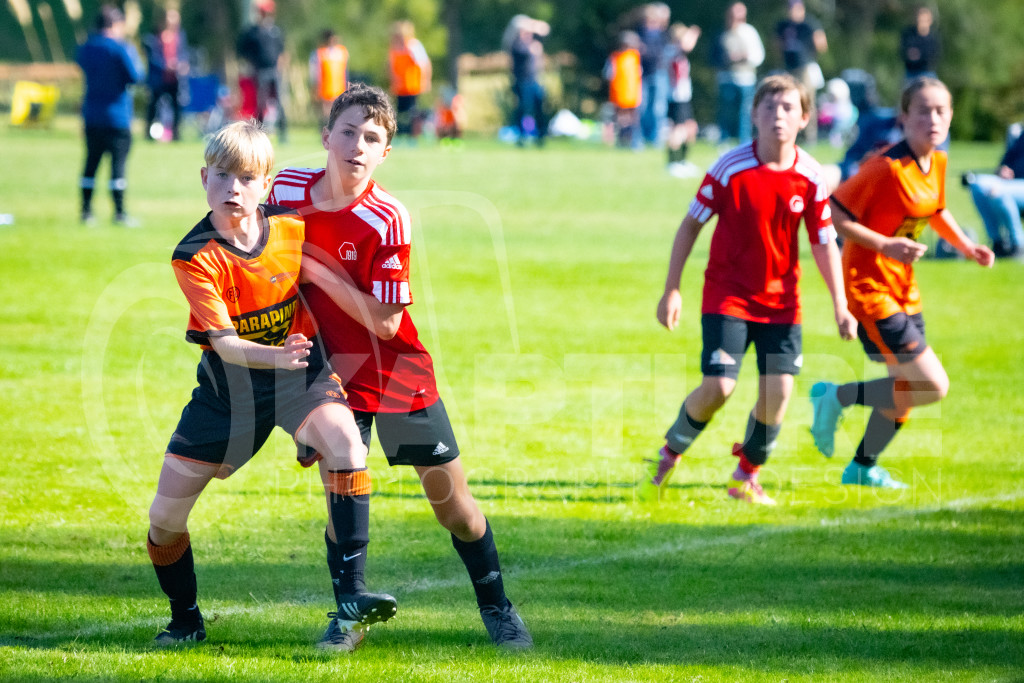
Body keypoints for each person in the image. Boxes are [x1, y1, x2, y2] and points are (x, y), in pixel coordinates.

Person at [267, 83, 533, 649]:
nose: (357, 146)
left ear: (385, 152)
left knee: (454, 509)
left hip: (394, 373)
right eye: (348, 133)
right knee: (341, 500)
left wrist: (317, 271)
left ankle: (499, 608)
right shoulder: (285, 188)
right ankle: (349, 617)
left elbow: (387, 323)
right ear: (326, 136)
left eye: (372, 138)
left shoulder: (388, 217)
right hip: (329, 375)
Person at [147, 120, 397, 652]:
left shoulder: (291, 225)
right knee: (164, 520)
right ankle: (186, 620)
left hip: (300, 377)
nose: (232, 188)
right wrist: (276, 355)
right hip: (228, 392)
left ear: (266, 184)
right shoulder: (194, 255)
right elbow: (226, 345)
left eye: (246, 178)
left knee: (348, 446)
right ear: (204, 179)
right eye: (221, 176)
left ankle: (351, 601)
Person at [642, 74, 856, 506]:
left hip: (782, 303)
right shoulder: (729, 168)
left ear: (805, 118)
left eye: (788, 108)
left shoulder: (811, 175)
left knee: (778, 395)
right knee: (719, 388)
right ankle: (669, 453)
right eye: (769, 107)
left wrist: (841, 304)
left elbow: (823, 242)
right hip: (728, 296)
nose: (778, 115)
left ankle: (745, 477)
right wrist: (672, 289)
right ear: (754, 114)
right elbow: (690, 225)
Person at [810, 77, 994, 489]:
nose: (933, 119)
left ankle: (862, 467)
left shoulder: (938, 161)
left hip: (903, 287)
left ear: (951, 116)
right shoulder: (885, 167)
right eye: (923, 111)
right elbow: (833, 213)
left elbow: (935, 210)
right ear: (904, 117)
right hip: (867, 286)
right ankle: (835, 397)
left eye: (941, 111)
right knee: (932, 385)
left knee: (905, 387)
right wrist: (884, 244)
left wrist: (967, 247)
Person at [75, 4, 143, 226]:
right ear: (115, 24)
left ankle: (86, 212)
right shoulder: (120, 48)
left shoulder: (87, 47)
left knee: (91, 163)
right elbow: (136, 75)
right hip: (117, 116)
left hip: (92, 114)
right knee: (118, 166)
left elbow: (81, 64)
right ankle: (119, 213)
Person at [963, 130, 1024, 257]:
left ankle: (1018, 244)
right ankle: (997, 242)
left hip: (1015, 186)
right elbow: (1008, 158)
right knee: (977, 184)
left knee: (999, 193)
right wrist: (1003, 168)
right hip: (1011, 183)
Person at [711, 2, 764, 145]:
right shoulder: (722, 33)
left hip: (745, 78)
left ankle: (744, 141)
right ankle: (724, 141)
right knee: (726, 112)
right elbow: (713, 57)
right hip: (726, 78)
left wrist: (742, 57)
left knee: (745, 113)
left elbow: (758, 56)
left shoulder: (749, 32)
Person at [775, 0, 827, 144]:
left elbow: (822, 44)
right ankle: (793, 134)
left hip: (805, 67)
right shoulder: (783, 25)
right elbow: (776, 45)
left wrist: (810, 53)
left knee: (807, 100)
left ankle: (810, 135)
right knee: (788, 101)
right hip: (788, 68)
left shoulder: (809, 24)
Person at [236, 0, 287, 141]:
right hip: (260, 72)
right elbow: (243, 51)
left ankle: (283, 133)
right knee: (261, 103)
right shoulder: (252, 32)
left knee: (280, 102)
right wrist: (251, 66)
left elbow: (282, 51)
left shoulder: (275, 31)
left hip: (274, 71)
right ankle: (260, 132)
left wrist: (280, 66)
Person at [142, 7, 189, 141]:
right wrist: (166, 65)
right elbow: (153, 58)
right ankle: (149, 132)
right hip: (159, 78)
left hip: (175, 78)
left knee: (177, 106)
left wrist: (182, 65)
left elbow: (183, 53)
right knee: (153, 105)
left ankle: (175, 133)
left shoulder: (180, 36)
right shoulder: (153, 37)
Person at [503, 14, 550, 147]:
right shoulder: (516, 45)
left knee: (539, 107)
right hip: (522, 81)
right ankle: (521, 136)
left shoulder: (533, 44)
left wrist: (534, 25)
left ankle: (540, 136)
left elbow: (545, 29)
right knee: (522, 108)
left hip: (534, 80)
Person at [665, 21, 701, 176]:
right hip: (676, 96)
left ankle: (683, 161)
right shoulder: (672, 50)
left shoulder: (675, 51)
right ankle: (673, 162)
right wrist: (694, 32)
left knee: (690, 128)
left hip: (684, 96)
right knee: (677, 130)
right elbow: (687, 45)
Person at [388, 20, 432, 140]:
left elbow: (424, 64)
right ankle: (399, 134)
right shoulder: (394, 48)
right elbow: (391, 67)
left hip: (412, 86)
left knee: (413, 112)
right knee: (399, 112)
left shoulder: (413, 46)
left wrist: (426, 81)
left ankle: (414, 135)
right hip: (400, 88)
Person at [636, 2, 671, 146]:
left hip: (658, 73)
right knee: (642, 107)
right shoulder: (639, 34)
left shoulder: (662, 35)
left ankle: (655, 138)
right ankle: (642, 137)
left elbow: (661, 53)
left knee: (658, 107)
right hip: (643, 74)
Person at [603, 31, 643, 149]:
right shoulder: (615, 57)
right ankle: (622, 140)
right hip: (619, 93)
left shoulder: (635, 57)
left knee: (632, 118)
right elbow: (609, 74)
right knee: (621, 118)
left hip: (632, 94)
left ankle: (632, 140)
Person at [309, 28, 349, 126]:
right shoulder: (320, 53)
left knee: (338, 110)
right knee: (326, 111)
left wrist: (347, 85)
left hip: (339, 86)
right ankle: (325, 128)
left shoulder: (341, 52)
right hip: (324, 86)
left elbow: (345, 70)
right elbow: (314, 72)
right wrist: (315, 86)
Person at [899, 5, 941, 81]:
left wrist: (918, 56)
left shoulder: (933, 38)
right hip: (911, 73)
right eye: (919, 19)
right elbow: (903, 52)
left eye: (924, 20)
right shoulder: (909, 35)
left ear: (929, 21)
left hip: (928, 74)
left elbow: (933, 56)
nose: (921, 22)